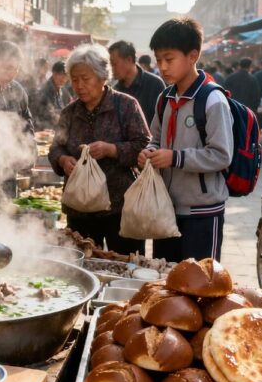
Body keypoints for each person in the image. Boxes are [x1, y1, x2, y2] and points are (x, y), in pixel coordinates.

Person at [137, 17, 233, 263]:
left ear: (193, 56)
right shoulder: (165, 98)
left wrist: (175, 157)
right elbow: (155, 138)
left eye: (169, 59)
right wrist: (149, 152)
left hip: (202, 213)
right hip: (166, 209)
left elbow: (222, 155)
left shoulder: (212, 100)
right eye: (158, 60)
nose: (162, 67)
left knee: (200, 287)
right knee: (167, 285)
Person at [49, 44, 150, 254]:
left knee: (121, 265)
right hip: (80, 212)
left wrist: (112, 149)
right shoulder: (69, 112)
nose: (79, 85)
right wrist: (62, 160)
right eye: (74, 79)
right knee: (82, 266)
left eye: (85, 79)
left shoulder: (126, 105)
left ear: (103, 76)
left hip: (119, 209)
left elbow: (144, 146)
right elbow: (56, 147)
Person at [109, 40, 165, 126]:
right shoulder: (115, 90)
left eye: (114, 64)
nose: (112, 69)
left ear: (129, 59)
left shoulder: (155, 84)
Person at [31, 60, 70, 130]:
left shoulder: (63, 90)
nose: (64, 78)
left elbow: (68, 105)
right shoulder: (45, 90)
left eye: (66, 75)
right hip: (45, 129)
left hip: (59, 129)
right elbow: (48, 114)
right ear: (54, 74)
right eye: (61, 74)